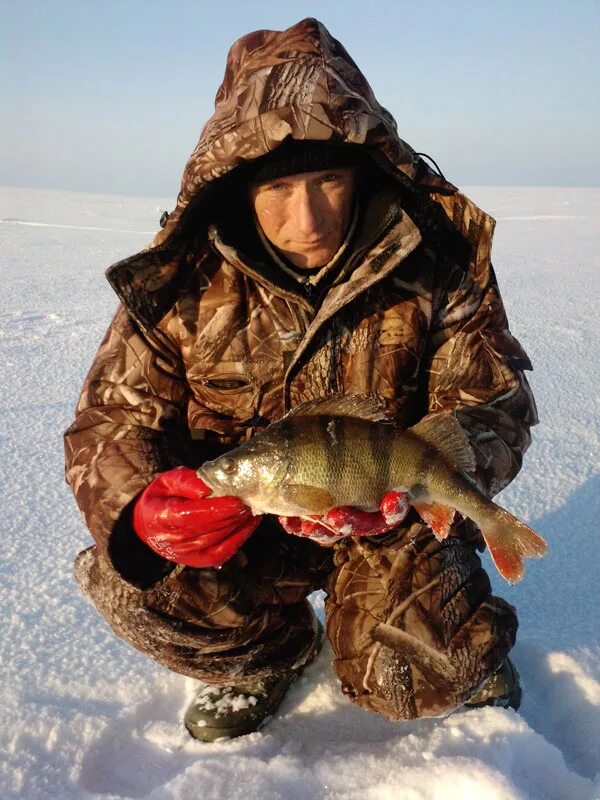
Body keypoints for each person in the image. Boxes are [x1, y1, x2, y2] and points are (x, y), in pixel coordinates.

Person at [65, 18, 538, 742]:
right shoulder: (182, 282)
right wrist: (143, 507)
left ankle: (466, 652)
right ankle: (268, 656)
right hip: (246, 528)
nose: (307, 216)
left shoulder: (435, 260)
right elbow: (110, 424)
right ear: (236, 186)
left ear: (363, 172)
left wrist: (437, 473)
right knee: (132, 574)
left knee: (423, 669)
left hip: (391, 517)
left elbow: (492, 399)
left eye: (329, 179)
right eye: (279, 186)